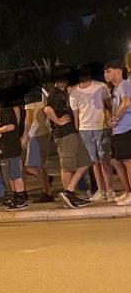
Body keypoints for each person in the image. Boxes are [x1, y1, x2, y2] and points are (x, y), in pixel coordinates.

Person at [45, 72, 92, 209]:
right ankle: (68, 195)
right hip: (64, 133)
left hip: (72, 131)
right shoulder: (54, 94)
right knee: (67, 166)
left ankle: (69, 192)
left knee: (85, 161)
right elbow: (47, 109)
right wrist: (58, 121)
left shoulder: (63, 91)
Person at [70, 67, 114, 201]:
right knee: (94, 161)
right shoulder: (74, 93)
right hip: (85, 129)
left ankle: (110, 190)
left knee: (104, 160)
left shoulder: (100, 87)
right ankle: (101, 190)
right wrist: (78, 129)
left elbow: (109, 104)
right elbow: (76, 115)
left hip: (100, 126)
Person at [0, 91, 28, 209]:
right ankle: (15, 196)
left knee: (15, 174)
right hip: (3, 147)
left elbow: (11, 126)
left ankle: (21, 198)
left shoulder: (6, 109)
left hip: (11, 147)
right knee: (10, 175)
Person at [22, 85, 55, 202]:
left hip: (36, 133)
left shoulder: (30, 96)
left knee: (32, 166)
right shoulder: (42, 91)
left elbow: (29, 118)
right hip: (45, 130)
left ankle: (47, 191)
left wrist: (25, 135)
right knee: (39, 165)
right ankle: (46, 187)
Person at [105, 60, 131, 205]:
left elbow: (126, 102)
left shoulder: (124, 85)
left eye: (109, 71)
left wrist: (115, 118)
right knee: (116, 161)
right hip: (119, 130)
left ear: (119, 71)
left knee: (128, 162)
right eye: (105, 72)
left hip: (126, 128)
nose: (106, 74)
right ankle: (127, 191)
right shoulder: (116, 89)